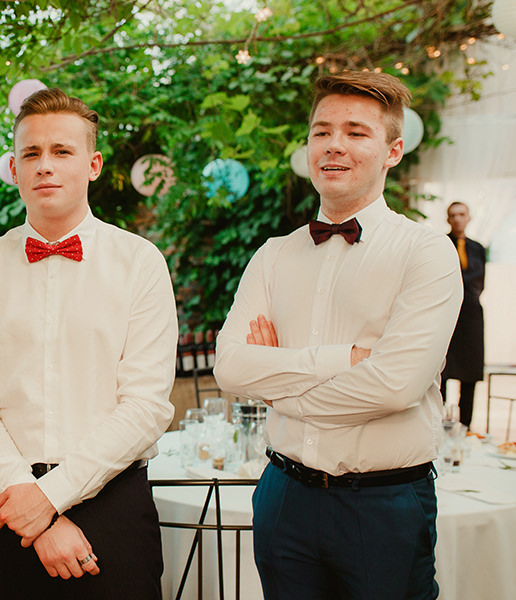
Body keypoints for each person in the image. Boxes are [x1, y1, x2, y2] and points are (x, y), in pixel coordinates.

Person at [212, 71, 463, 600]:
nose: (333, 145)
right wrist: (345, 359)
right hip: (283, 495)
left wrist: (277, 387)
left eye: (355, 132)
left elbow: (394, 386)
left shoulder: (426, 253)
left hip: (384, 505)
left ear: (393, 151)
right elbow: (231, 369)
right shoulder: (273, 255)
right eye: (321, 131)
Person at [0, 88, 177, 599]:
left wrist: (49, 499)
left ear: (93, 165)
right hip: (5, 502)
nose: (45, 165)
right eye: (31, 153)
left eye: (62, 151)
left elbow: (145, 406)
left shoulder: (140, 262)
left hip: (113, 502)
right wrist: (32, 507)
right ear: (14, 168)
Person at [442, 201, 485, 429]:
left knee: (470, 376)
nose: (457, 219)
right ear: (448, 219)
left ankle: (466, 428)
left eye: (462, 214)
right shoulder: (440, 243)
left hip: (471, 317)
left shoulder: (478, 248)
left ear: (469, 217)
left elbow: (480, 282)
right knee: (441, 371)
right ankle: (438, 424)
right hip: (446, 316)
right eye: (453, 215)